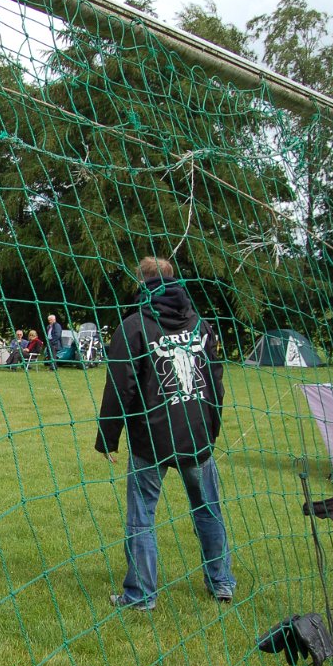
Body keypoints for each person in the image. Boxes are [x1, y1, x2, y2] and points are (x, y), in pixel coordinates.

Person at [95, 256, 234, 611]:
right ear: (173, 279)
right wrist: (211, 426)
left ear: (142, 283)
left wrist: (107, 438)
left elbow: (118, 387)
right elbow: (215, 383)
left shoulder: (135, 325)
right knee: (208, 509)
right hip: (194, 434)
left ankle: (143, 595)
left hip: (152, 439)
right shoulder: (199, 323)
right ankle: (221, 582)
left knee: (143, 514)